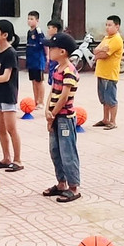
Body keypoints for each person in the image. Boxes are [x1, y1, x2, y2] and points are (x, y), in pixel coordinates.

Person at [41, 32, 83, 202]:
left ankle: (73, 187)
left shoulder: (69, 71)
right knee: (55, 151)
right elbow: (53, 91)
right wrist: (46, 110)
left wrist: (53, 115)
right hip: (55, 117)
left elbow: (64, 96)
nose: (49, 50)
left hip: (64, 118)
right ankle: (61, 183)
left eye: (52, 48)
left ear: (63, 52)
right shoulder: (56, 69)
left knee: (68, 153)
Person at [0, 19, 23, 172]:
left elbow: (5, 77)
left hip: (8, 94)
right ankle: (6, 157)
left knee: (11, 128)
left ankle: (18, 160)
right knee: (0, 128)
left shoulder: (10, 53)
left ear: (5, 34)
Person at [94, 14, 124, 129]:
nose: (107, 27)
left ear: (117, 26)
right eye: (106, 25)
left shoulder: (116, 39)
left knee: (111, 98)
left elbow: (104, 54)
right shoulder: (106, 38)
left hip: (110, 74)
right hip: (101, 72)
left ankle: (113, 121)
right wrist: (99, 51)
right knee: (103, 98)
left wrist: (98, 53)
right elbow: (96, 50)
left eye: (110, 25)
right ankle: (105, 119)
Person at [25, 10, 48, 110]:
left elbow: (44, 44)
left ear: (37, 20)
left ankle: (41, 101)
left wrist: (47, 55)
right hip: (31, 60)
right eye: (28, 19)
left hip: (38, 59)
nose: (29, 21)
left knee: (39, 81)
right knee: (33, 81)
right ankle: (35, 101)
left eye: (32, 19)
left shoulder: (38, 31)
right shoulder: (29, 32)